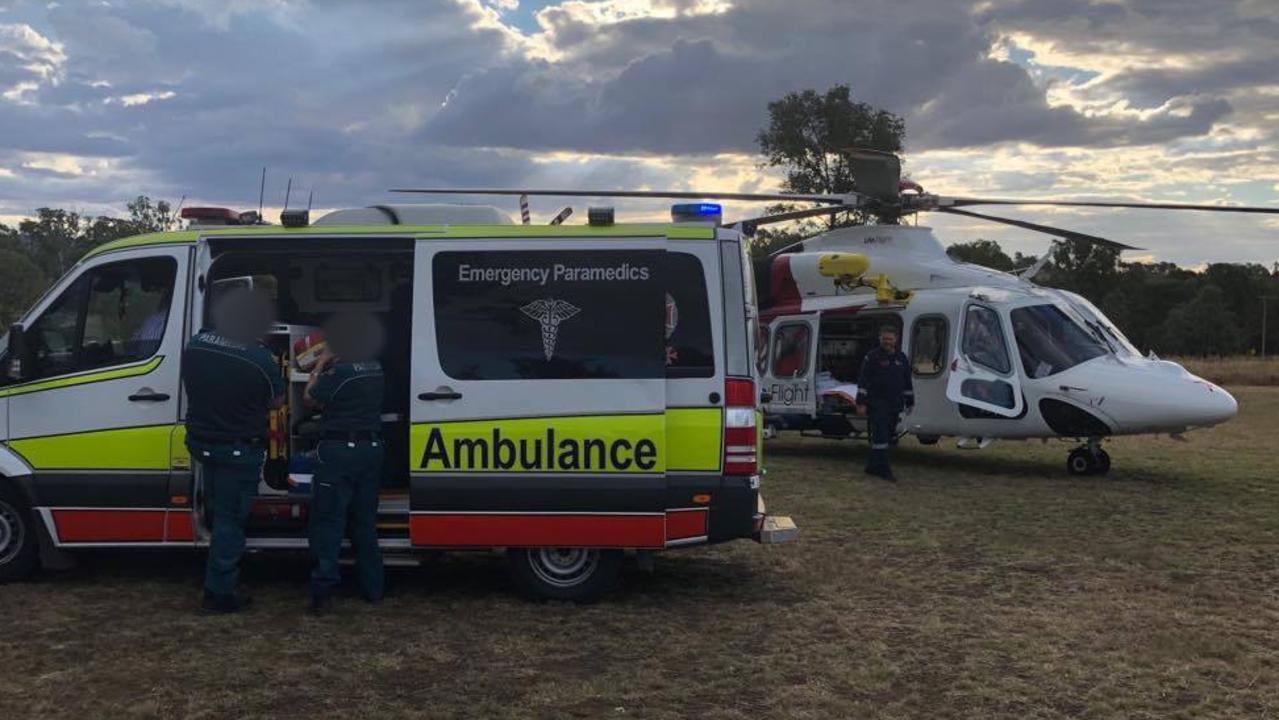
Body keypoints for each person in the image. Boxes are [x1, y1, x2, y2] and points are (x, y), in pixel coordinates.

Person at [182, 288, 284, 614]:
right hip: (237, 452)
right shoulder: (260, 360)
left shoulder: (196, 344)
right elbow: (278, 401)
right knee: (229, 522)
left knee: (216, 512)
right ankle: (220, 592)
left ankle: (218, 580)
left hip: (204, 445)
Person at [304, 312, 387, 615]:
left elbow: (310, 398)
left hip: (340, 451)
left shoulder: (340, 372)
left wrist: (320, 364)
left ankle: (323, 593)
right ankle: (374, 589)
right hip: (371, 449)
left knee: (329, 522)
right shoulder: (375, 367)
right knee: (365, 524)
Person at [856, 325, 914, 481]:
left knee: (888, 436)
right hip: (877, 403)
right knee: (881, 436)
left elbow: (907, 382)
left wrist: (910, 401)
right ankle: (884, 470)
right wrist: (861, 402)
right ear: (879, 339)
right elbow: (863, 380)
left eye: (890, 339)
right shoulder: (872, 357)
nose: (887, 342)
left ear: (896, 340)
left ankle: (872, 466)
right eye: (884, 338)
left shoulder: (902, 358)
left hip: (895, 404)